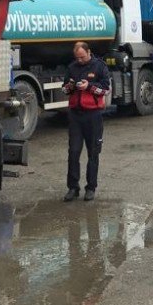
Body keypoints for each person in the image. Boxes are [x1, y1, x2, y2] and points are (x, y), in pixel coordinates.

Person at [62, 41, 110, 202]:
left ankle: (91, 188)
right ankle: (72, 188)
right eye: (77, 58)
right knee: (73, 152)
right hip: (76, 115)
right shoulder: (72, 67)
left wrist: (89, 86)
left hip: (93, 115)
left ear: (89, 52)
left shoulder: (100, 67)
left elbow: (105, 89)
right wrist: (71, 86)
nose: (80, 60)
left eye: (82, 57)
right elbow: (64, 89)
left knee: (93, 153)